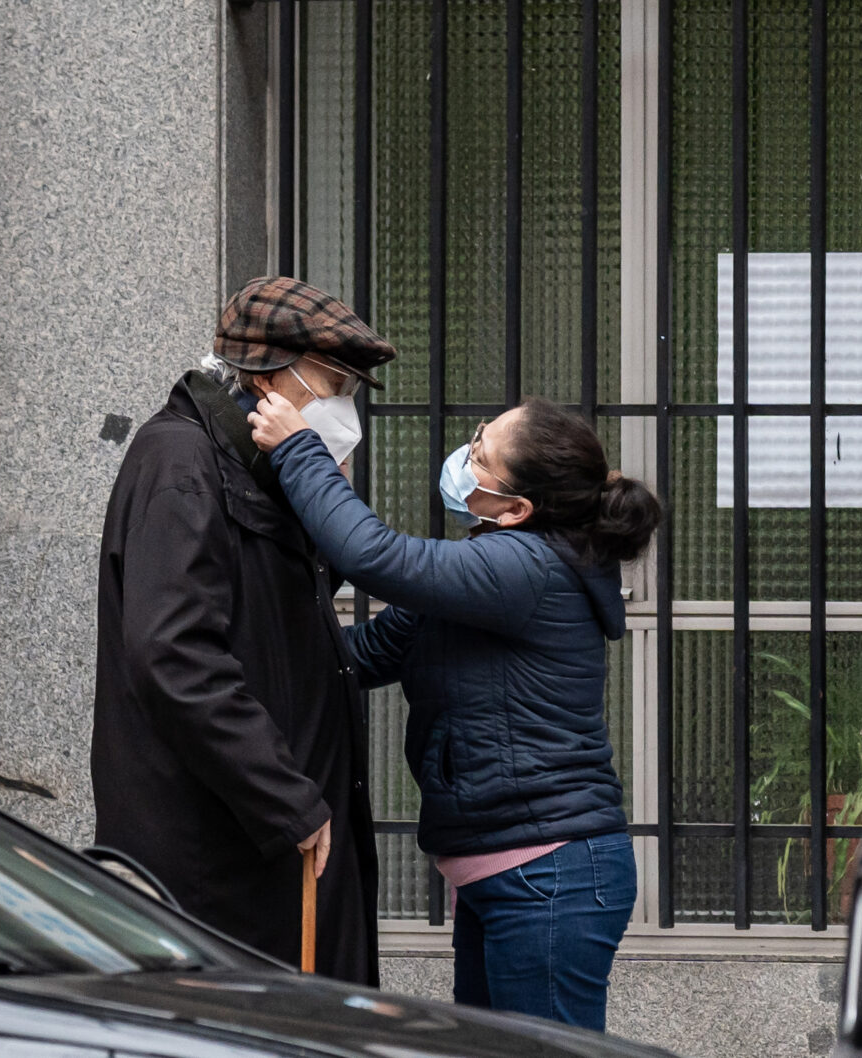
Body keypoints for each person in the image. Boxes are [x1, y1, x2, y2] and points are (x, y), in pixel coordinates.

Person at [250, 391, 660, 1030]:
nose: (464, 456)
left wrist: (302, 451)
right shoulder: (487, 573)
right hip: (513, 870)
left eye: (481, 455)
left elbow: (375, 558)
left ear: (517, 509)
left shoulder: (523, 566)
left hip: (548, 871)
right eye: (477, 435)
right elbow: (360, 656)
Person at [90, 276, 393, 983]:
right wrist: (284, 796)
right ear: (267, 379)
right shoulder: (182, 464)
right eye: (333, 385)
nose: (343, 409)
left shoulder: (251, 466)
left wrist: (320, 491)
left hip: (269, 842)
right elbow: (176, 656)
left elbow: (280, 611)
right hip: (224, 855)